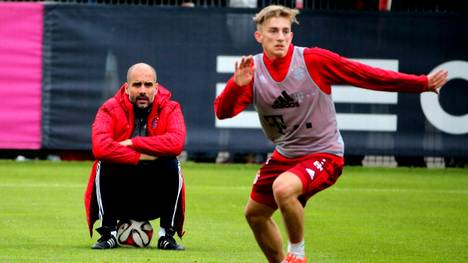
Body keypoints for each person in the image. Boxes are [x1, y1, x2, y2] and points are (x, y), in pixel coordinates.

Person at [214, 5, 448, 263]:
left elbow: (365, 75)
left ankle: (297, 255)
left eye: (285, 31)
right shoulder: (252, 70)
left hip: (324, 153)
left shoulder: (313, 60)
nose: (280, 37)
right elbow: (223, 112)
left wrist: (421, 84)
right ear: (259, 36)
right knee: (255, 214)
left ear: (291, 35)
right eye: (273, 31)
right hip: (286, 154)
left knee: (283, 188)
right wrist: (237, 86)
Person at [84, 62, 186, 250]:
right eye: (137, 85)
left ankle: (166, 236)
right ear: (126, 87)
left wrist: (134, 143)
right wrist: (141, 157)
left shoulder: (171, 108)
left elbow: (176, 143)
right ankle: (108, 233)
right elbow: (100, 148)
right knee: (103, 164)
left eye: (148, 85)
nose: (142, 90)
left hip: (154, 198)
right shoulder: (109, 108)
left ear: (156, 87)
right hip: (120, 198)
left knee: (173, 164)